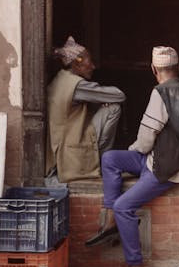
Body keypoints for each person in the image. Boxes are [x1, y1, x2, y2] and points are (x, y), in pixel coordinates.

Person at [85, 46, 179, 267]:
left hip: (167, 166)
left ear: (153, 69)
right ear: (178, 68)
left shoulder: (160, 92)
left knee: (123, 206)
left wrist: (134, 148)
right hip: (173, 158)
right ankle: (110, 220)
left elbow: (147, 138)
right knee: (110, 159)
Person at [46, 36, 125, 184]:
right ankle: (103, 162)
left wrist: (99, 102)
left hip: (62, 147)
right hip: (71, 151)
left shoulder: (60, 79)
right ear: (77, 63)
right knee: (113, 108)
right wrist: (103, 100)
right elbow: (119, 96)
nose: (93, 67)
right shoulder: (77, 85)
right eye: (90, 62)